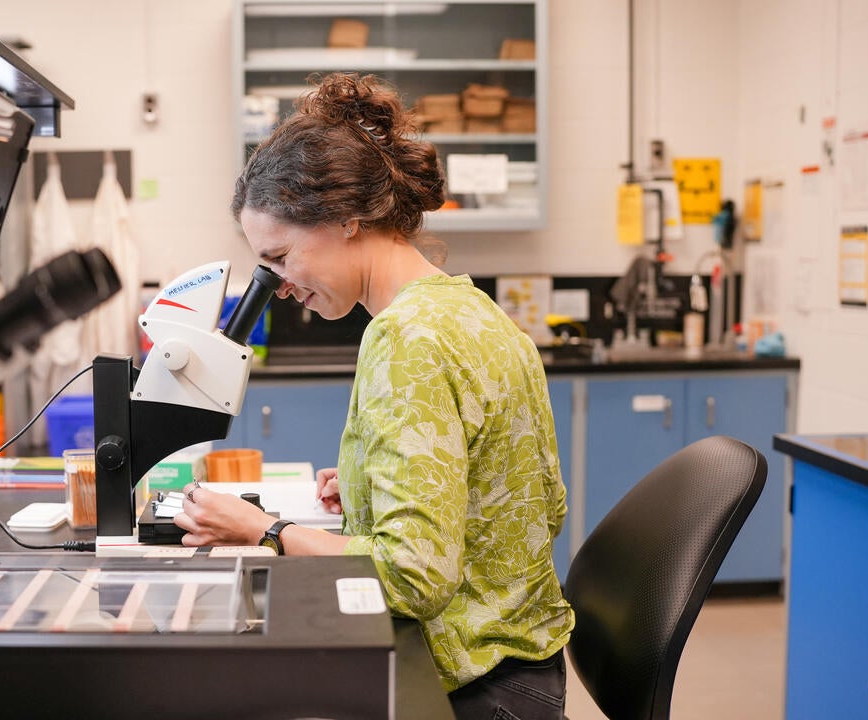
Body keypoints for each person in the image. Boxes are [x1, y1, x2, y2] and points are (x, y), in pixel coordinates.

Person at [173, 73, 573, 719]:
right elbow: (517, 494)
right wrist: (370, 482)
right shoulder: (467, 308)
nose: (275, 285)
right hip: (521, 661)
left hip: (471, 684)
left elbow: (412, 579)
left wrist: (265, 529)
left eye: (279, 257)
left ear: (346, 221)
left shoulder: (406, 338)